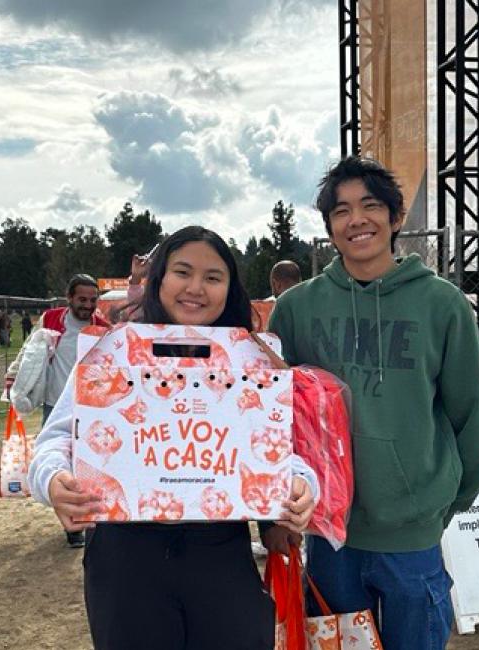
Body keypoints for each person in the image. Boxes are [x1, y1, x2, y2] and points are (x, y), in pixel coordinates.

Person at [28, 226, 318, 648]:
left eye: (213, 277)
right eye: (182, 272)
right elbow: (58, 440)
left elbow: (279, 447)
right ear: (159, 278)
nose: (195, 288)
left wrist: (300, 485)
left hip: (219, 550)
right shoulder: (112, 350)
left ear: (229, 287)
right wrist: (54, 481)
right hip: (126, 554)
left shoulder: (251, 356)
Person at [267, 157, 479, 650]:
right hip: (331, 537)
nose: (357, 220)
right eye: (342, 210)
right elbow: (271, 421)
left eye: (371, 206)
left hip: (412, 537)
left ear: (395, 218)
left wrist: (440, 506)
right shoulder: (295, 310)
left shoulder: (443, 305)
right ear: (330, 227)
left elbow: (475, 415)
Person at [6, 275, 109, 548]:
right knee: (59, 461)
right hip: (56, 402)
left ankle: (81, 514)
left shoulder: (103, 330)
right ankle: (71, 524)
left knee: (85, 460)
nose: (88, 305)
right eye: (82, 299)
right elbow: (30, 350)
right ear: (70, 298)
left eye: (92, 300)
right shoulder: (52, 320)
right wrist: (14, 375)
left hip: (89, 404)